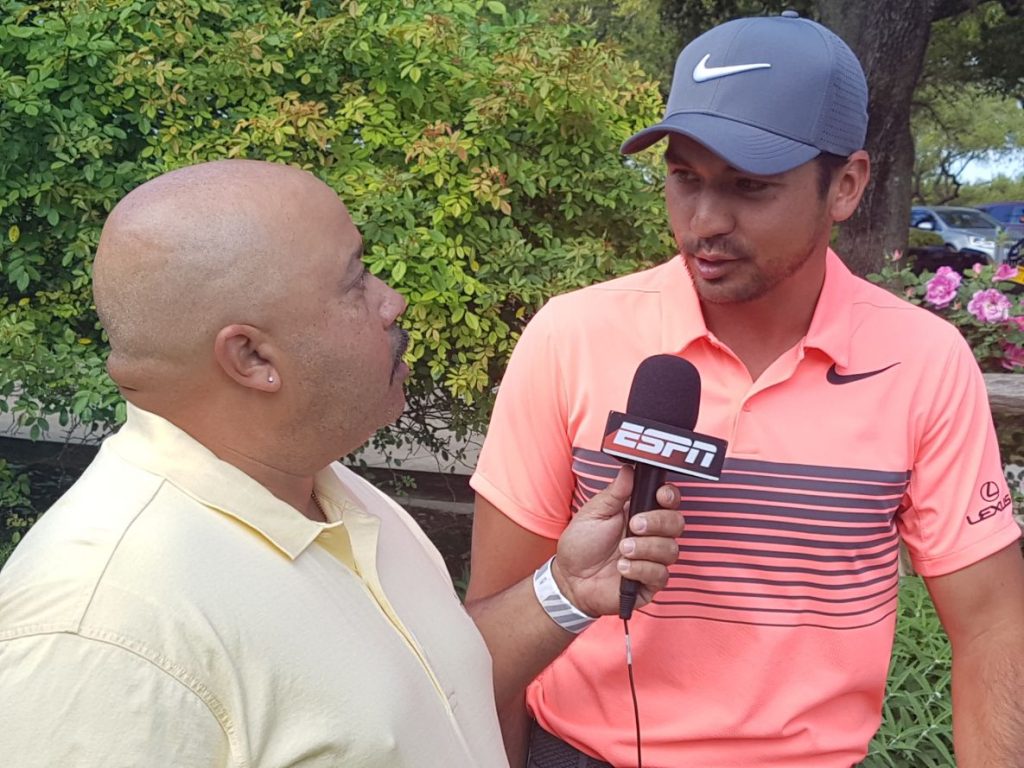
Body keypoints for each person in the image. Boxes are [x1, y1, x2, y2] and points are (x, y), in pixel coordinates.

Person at [466, 11, 1024, 768]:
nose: (703, 222)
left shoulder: (923, 361)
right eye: (683, 178)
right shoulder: (571, 337)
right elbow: (484, 639)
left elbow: (994, 630)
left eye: (750, 187)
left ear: (848, 184)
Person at [0, 159, 685, 767]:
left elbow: (427, 693)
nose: (394, 301)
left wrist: (565, 590)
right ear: (252, 359)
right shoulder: (101, 634)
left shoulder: (331, 491)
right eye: (356, 281)